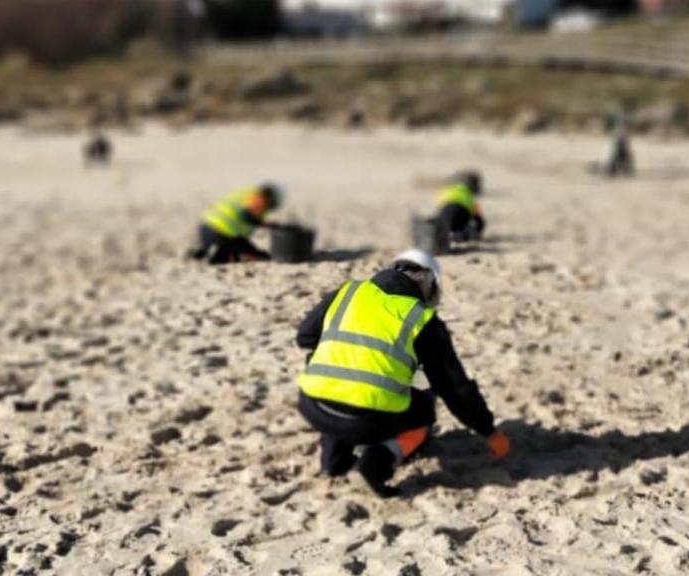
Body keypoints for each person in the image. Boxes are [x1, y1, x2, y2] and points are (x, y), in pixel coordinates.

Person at [296, 249, 510, 497]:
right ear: (430, 284)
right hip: (365, 422)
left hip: (313, 405)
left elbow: (306, 336)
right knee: (423, 413)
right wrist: (489, 431)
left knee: (341, 384)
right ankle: (378, 461)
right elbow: (454, 387)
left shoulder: (349, 291)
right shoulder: (423, 319)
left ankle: (334, 461)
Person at [188, 183, 283, 264]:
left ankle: (204, 252)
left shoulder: (246, 194)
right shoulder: (257, 197)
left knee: (254, 253)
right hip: (220, 232)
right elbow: (245, 215)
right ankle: (215, 254)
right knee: (253, 256)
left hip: (207, 230)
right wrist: (265, 224)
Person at [436, 170, 485, 243]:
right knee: (462, 228)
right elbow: (479, 221)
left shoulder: (446, 191)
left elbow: (439, 206)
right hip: (462, 213)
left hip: (444, 210)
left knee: (443, 225)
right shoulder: (469, 196)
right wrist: (477, 232)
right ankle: (460, 235)